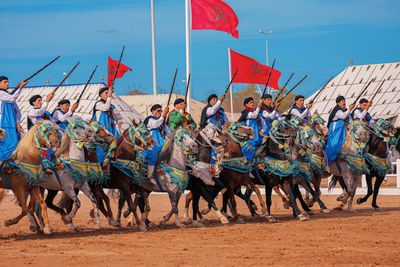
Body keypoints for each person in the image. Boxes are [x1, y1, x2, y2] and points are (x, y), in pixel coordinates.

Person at [0, 76, 27, 161]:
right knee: (8, 143)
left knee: (16, 142)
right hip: (2, 123)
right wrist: (20, 88)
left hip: (11, 124)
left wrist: (17, 121)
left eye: (7, 82)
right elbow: (11, 99)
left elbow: (17, 111)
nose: (7, 84)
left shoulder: (7, 94)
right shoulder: (1, 93)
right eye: (5, 82)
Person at [92, 86, 121, 163]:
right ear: (101, 95)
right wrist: (109, 97)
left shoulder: (111, 105)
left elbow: (118, 116)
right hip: (101, 129)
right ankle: (101, 162)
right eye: (106, 93)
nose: (108, 94)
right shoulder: (98, 104)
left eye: (109, 93)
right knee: (102, 146)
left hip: (111, 128)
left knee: (116, 142)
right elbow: (105, 108)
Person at [325, 96, 355, 164]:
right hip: (336, 128)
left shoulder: (346, 110)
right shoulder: (337, 110)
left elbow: (350, 120)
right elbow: (343, 116)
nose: (344, 103)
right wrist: (350, 109)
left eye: (344, 101)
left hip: (342, 128)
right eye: (342, 101)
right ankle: (328, 159)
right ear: (338, 103)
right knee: (334, 143)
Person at [144, 104, 171, 178]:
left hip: (162, 141)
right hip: (152, 142)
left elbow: (168, 132)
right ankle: (149, 175)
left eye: (161, 111)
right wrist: (164, 115)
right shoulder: (150, 119)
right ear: (153, 111)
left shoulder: (162, 121)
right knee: (153, 153)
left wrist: (167, 136)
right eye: (158, 110)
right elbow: (156, 125)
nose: (160, 112)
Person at [237, 97, 267, 162]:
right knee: (248, 152)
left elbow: (264, 125)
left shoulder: (258, 114)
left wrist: (262, 131)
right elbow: (254, 115)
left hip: (257, 137)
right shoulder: (247, 113)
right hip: (248, 137)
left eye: (253, 102)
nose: (253, 104)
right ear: (246, 105)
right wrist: (259, 105)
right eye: (251, 103)